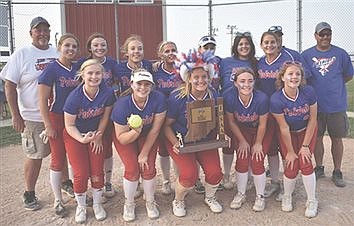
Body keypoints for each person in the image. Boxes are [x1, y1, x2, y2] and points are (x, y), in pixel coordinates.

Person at [0, 16, 59, 211]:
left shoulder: (56, 52)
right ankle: (29, 192)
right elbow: (9, 85)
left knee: (61, 153)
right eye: (38, 30)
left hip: (56, 114)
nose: (42, 33)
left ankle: (65, 183)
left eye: (45, 30)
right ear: (31, 33)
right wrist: (15, 115)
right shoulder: (22, 53)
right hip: (33, 116)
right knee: (35, 155)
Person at [164, 50, 223, 217]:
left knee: (215, 173)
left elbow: (219, 119)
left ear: (209, 77)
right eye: (196, 77)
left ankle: (210, 197)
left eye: (204, 76)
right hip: (181, 141)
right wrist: (175, 142)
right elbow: (166, 126)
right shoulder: (177, 97)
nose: (200, 80)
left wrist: (222, 134)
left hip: (205, 140)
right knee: (189, 175)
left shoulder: (213, 94)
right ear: (188, 78)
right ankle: (178, 200)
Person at [63, 59, 115, 223]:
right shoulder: (75, 97)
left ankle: (98, 204)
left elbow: (105, 117)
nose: (94, 76)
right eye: (90, 73)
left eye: (98, 73)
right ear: (82, 75)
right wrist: (81, 138)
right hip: (75, 135)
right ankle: (81, 206)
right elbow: (69, 125)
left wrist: (98, 135)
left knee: (97, 170)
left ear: (103, 74)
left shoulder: (107, 92)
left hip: (96, 134)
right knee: (80, 173)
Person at [301, 22, 353, 187]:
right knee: (316, 138)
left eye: (327, 34)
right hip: (316, 105)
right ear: (315, 36)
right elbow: (305, 78)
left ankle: (337, 171)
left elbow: (348, 75)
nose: (325, 37)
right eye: (321, 34)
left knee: (337, 139)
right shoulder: (307, 55)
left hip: (336, 105)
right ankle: (319, 167)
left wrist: (334, 87)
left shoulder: (341, 53)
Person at [111, 69, 166, 222]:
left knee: (148, 167)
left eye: (147, 84)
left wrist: (144, 152)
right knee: (132, 169)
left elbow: (155, 130)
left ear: (152, 85)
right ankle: (129, 203)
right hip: (127, 136)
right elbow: (122, 138)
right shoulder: (122, 105)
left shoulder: (158, 99)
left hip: (148, 135)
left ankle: (150, 201)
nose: (143, 87)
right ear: (132, 84)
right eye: (139, 83)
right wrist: (135, 132)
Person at [38, 33, 80, 217]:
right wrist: (47, 125)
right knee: (57, 159)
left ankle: (77, 193)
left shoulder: (78, 67)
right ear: (59, 47)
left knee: (74, 156)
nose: (70, 49)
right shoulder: (52, 69)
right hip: (56, 117)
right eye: (67, 46)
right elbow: (42, 100)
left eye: (74, 46)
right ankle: (57, 199)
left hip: (75, 118)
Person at [270, 61, 318, 218]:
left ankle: (312, 200)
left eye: (298, 74)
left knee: (305, 161)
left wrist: (305, 146)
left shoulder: (308, 91)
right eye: (290, 74)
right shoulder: (276, 98)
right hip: (288, 133)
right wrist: (290, 151)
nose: (294, 77)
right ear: (282, 77)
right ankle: (287, 195)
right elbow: (283, 128)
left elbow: (313, 119)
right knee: (291, 164)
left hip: (306, 131)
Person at [257, 31, 300, 200]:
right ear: (261, 45)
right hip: (267, 111)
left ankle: (288, 183)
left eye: (272, 42)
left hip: (284, 110)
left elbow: (297, 82)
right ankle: (275, 182)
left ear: (278, 43)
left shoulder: (287, 60)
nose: (269, 45)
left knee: (286, 148)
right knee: (272, 148)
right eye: (266, 42)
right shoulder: (260, 62)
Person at [78, 32, 120, 198]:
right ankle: (83, 186)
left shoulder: (112, 63)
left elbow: (119, 80)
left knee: (105, 148)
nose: (99, 48)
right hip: (87, 112)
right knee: (82, 152)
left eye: (103, 45)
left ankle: (107, 182)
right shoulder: (83, 63)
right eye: (95, 45)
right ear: (90, 47)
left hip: (107, 109)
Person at [223, 67, 270, 212]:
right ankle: (241, 193)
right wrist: (242, 141)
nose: (246, 84)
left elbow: (263, 123)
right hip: (242, 129)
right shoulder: (229, 96)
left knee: (257, 159)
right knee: (242, 158)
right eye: (242, 81)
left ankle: (260, 196)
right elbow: (231, 122)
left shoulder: (261, 98)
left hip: (262, 130)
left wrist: (257, 143)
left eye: (250, 81)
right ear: (235, 83)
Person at [219, 31, 258, 191]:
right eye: (241, 44)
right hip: (228, 105)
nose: (244, 46)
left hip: (248, 106)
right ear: (235, 46)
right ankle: (226, 175)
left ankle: (247, 175)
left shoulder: (255, 63)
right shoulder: (225, 62)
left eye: (247, 44)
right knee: (228, 144)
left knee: (246, 143)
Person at [153, 41, 183, 195]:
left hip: (177, 116)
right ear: (160, 55)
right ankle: (166, 181)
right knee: (163, 150)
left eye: (173, 50)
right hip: (161, 114)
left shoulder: (183, 69)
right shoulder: (155, 71)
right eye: (167, 51)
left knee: (178, 148)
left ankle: (179, 179)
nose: (171, 53)